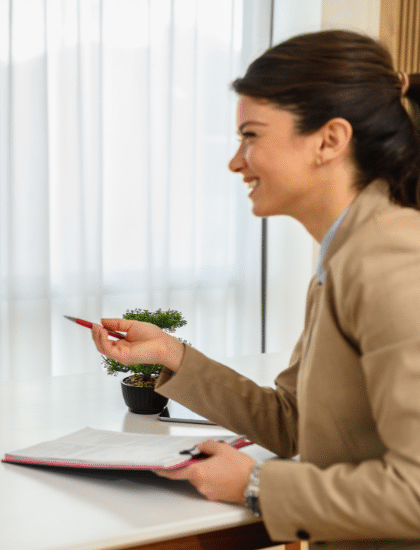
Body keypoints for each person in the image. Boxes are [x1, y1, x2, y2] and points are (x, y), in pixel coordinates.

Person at [91, 30, 420, 547]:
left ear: (329, 141)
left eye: (251, 135)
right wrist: (171, 354)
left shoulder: (389, 259)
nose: (236, 161)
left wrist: (257, 483)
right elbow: (292, 421)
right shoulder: (346, 252)